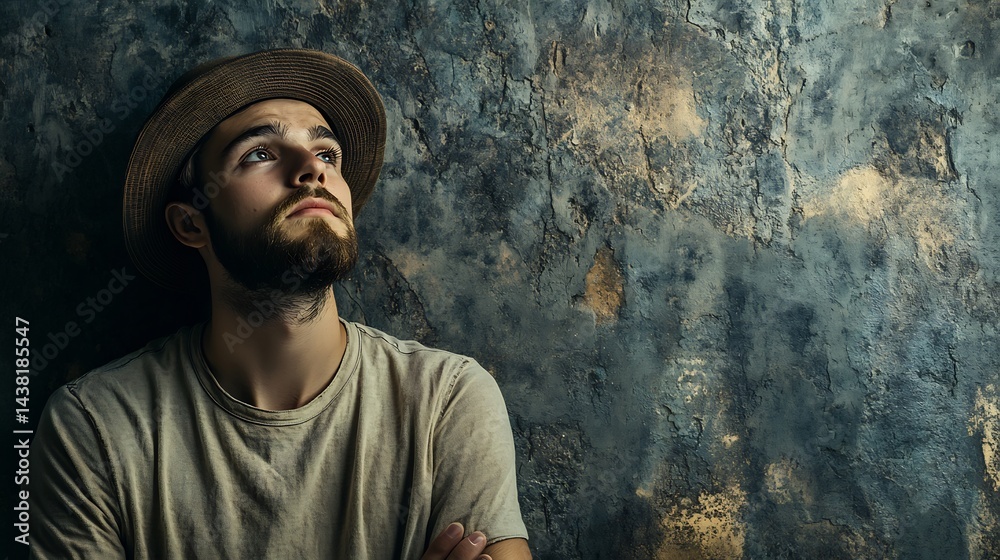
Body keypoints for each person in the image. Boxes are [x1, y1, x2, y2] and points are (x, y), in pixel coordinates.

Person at [29, 49, 531, 560]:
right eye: (259, 154)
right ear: (190, 223)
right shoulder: (94, 428)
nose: (312, 168)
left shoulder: (446, 403)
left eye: (328, 153)